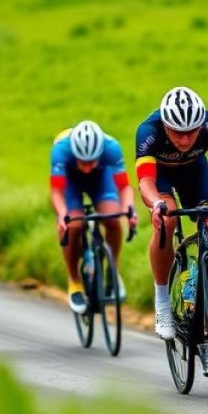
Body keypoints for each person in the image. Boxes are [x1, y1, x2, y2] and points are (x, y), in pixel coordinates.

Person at [135, 86, 208, 375]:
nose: (185, 139)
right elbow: (146, 181)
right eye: (177, 133)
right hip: (161, 178)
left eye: (192, 132)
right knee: (167, 222)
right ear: (165, 125)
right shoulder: (148, 131)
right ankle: (162, 300)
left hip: (195, 175)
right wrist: (155, 205)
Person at [50, 120, 138, 313]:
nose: (87, 168)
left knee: (113, 217)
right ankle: (74, 281)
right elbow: (57, 191)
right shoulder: (61, 150)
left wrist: (129, 209)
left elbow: (124, 187)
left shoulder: (111, 148)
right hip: (71, 184)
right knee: (73, 225)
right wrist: (62, 214)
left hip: (100, 180)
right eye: (83, 162)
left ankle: (112, 271)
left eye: (92, 162)